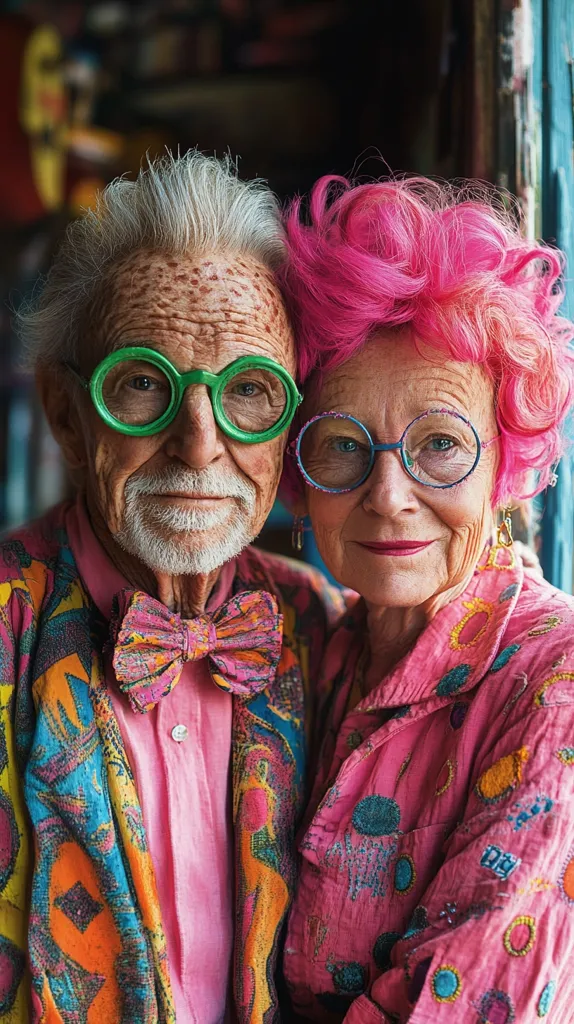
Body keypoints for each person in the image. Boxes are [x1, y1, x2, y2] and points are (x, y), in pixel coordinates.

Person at [0, 152, 345, 1023]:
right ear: (69, 418)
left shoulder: (321, 623)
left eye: (252, 391)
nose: (200, 444)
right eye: (144, 383)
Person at [279, 175, 574, 1022]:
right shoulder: (316, 647)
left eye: (440, 444)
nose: (388, 494)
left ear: (506, 464)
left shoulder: (552, 679)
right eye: (341, 446)